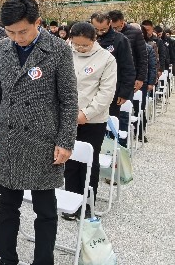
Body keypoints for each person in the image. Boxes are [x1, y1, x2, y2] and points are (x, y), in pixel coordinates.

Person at [0, 0, 79, 265]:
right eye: (11, 32)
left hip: (43, 140)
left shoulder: (57, 49)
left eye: (23, 31)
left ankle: (43, 261)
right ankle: (6, 258)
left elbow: (69, 100)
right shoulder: (2, 47)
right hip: (9, 136)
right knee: (7, 204)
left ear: (38, 22)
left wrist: (66, 141)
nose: (17, 38)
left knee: (45, 209)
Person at [63, 22, 117, 220]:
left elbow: (106, 92)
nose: (80, 48)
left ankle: (87, 204)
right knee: (69, 159)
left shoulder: (106, 59)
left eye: (84, 45)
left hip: (93, 120)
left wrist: (86, 114)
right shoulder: (66, 53)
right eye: (76, 44)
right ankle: (70, 200)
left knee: (88, 161)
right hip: (67, 115)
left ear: (94, 40)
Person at [90, 12, 135, 118]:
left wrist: (124, 93)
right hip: (91, 89)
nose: (99, 32)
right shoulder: (87, 38)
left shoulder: (120, 40)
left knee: (110, 121)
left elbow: (128, 68)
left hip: (112, 89)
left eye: (103, 29)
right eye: (96, 29)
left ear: (109, 23)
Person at [109, 10, 148, 95]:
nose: (115, 30)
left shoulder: (135, 33)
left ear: (122, 22)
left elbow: (142, 57)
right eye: (112, 28)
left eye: (117, 27)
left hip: (129, 77)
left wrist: (140, 78)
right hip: (111, 76)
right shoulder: (107, 34)